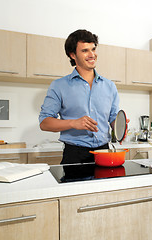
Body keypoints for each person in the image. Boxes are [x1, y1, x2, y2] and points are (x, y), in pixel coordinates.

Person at [39, 29, 119, 164]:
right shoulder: (59, 86)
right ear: (72, 55)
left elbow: (113, 118)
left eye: (93, 49)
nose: (92, 54)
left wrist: (120, 125)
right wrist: (73, 123)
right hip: (75, 155)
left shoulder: (110, 86)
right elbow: (44, 123)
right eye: (85, 50)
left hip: (105, 153)